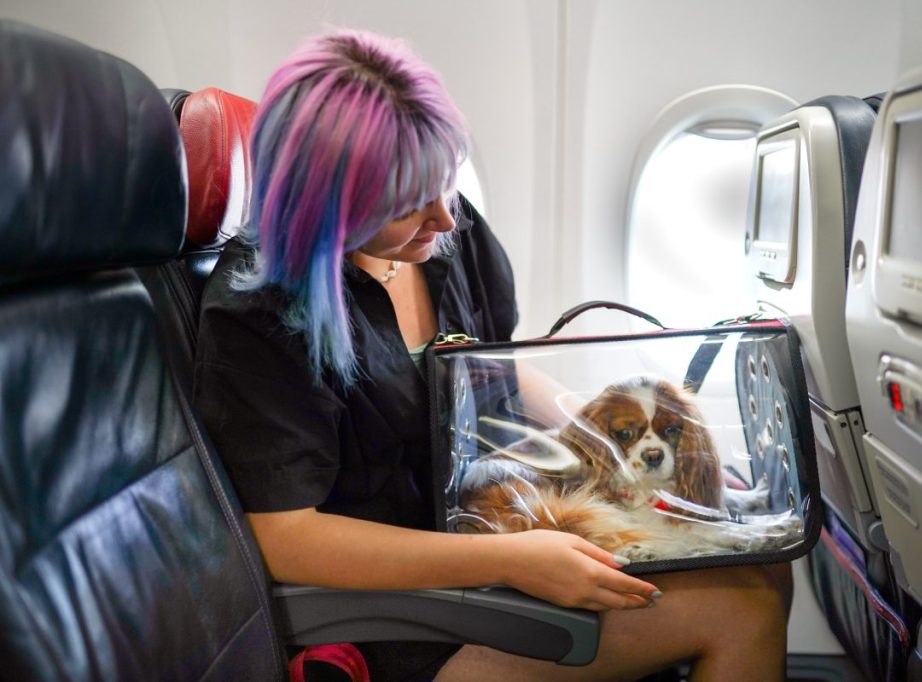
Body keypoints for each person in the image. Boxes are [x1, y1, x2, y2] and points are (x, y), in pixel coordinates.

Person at [193, 28, 792, 682]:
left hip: (494, 526)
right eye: (405, 205)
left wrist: (621, 456)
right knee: (746, 607)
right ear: (330, 208)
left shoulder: (445, 235)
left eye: (443, 184)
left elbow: (492, 372)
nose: (444, 219)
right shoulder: (262, 314)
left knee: (760, 553)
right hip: (401, 607)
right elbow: (288, 541)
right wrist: (514, 562)